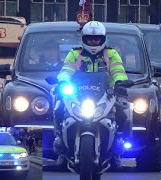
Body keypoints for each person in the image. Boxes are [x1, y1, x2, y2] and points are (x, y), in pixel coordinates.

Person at [55, 21, 128, 169]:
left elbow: (118, 71)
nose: (93, 41)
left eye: (97, 39)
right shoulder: (75, 53)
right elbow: (66, 70)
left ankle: (116, 151)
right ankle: (61, 146)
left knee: (123, 112)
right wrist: (62, 81)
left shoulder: (111, 54)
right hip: (79, 94)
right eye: (90, 39)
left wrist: (120, 82)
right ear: (83, 39)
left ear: (103, 39)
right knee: (58, 108)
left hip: (105, 94)